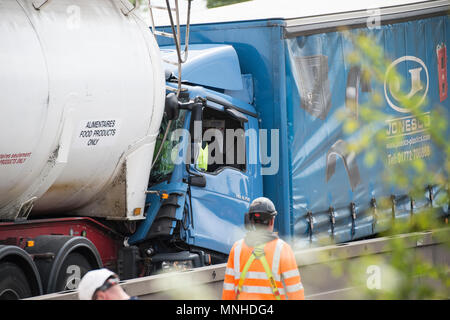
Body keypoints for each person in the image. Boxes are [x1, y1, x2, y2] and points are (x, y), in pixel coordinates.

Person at [222, 197, 305, 300]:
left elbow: (228, 291)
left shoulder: (237, 248)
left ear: (250, 221)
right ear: (271, 221)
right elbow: (295, 291)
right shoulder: (282, 248)